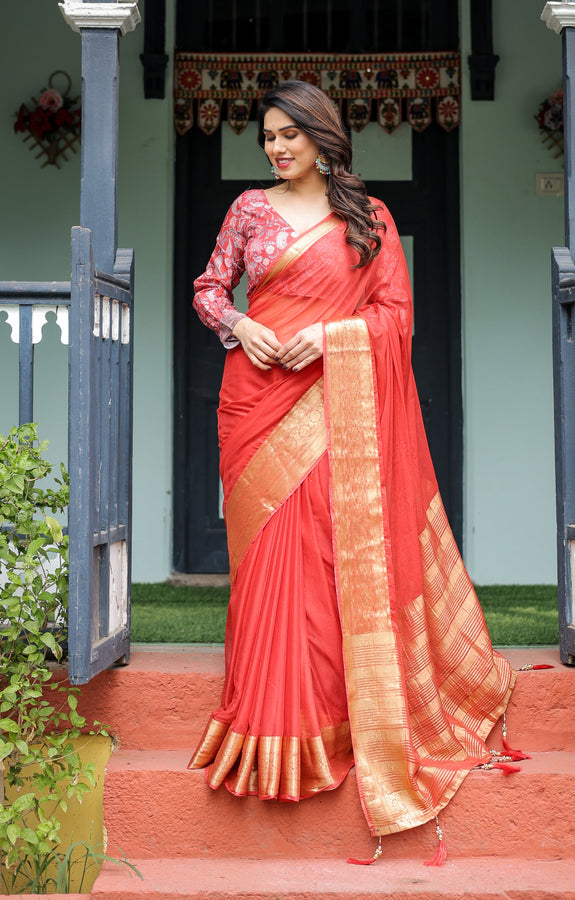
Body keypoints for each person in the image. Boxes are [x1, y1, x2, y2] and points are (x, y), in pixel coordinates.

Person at [188, 80, 516, 852]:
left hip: (333, 403)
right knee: (267, 563)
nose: (276, 147)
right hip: (255, 403)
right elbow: (208, 289)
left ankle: (328, 725)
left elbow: (395, 316)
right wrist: (239, 323)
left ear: (321, 137)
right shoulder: (247, 210)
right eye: (267, 135)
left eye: (289, 135)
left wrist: (330, 334)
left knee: (324, 558)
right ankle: (263, 726)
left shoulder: (369, 218)